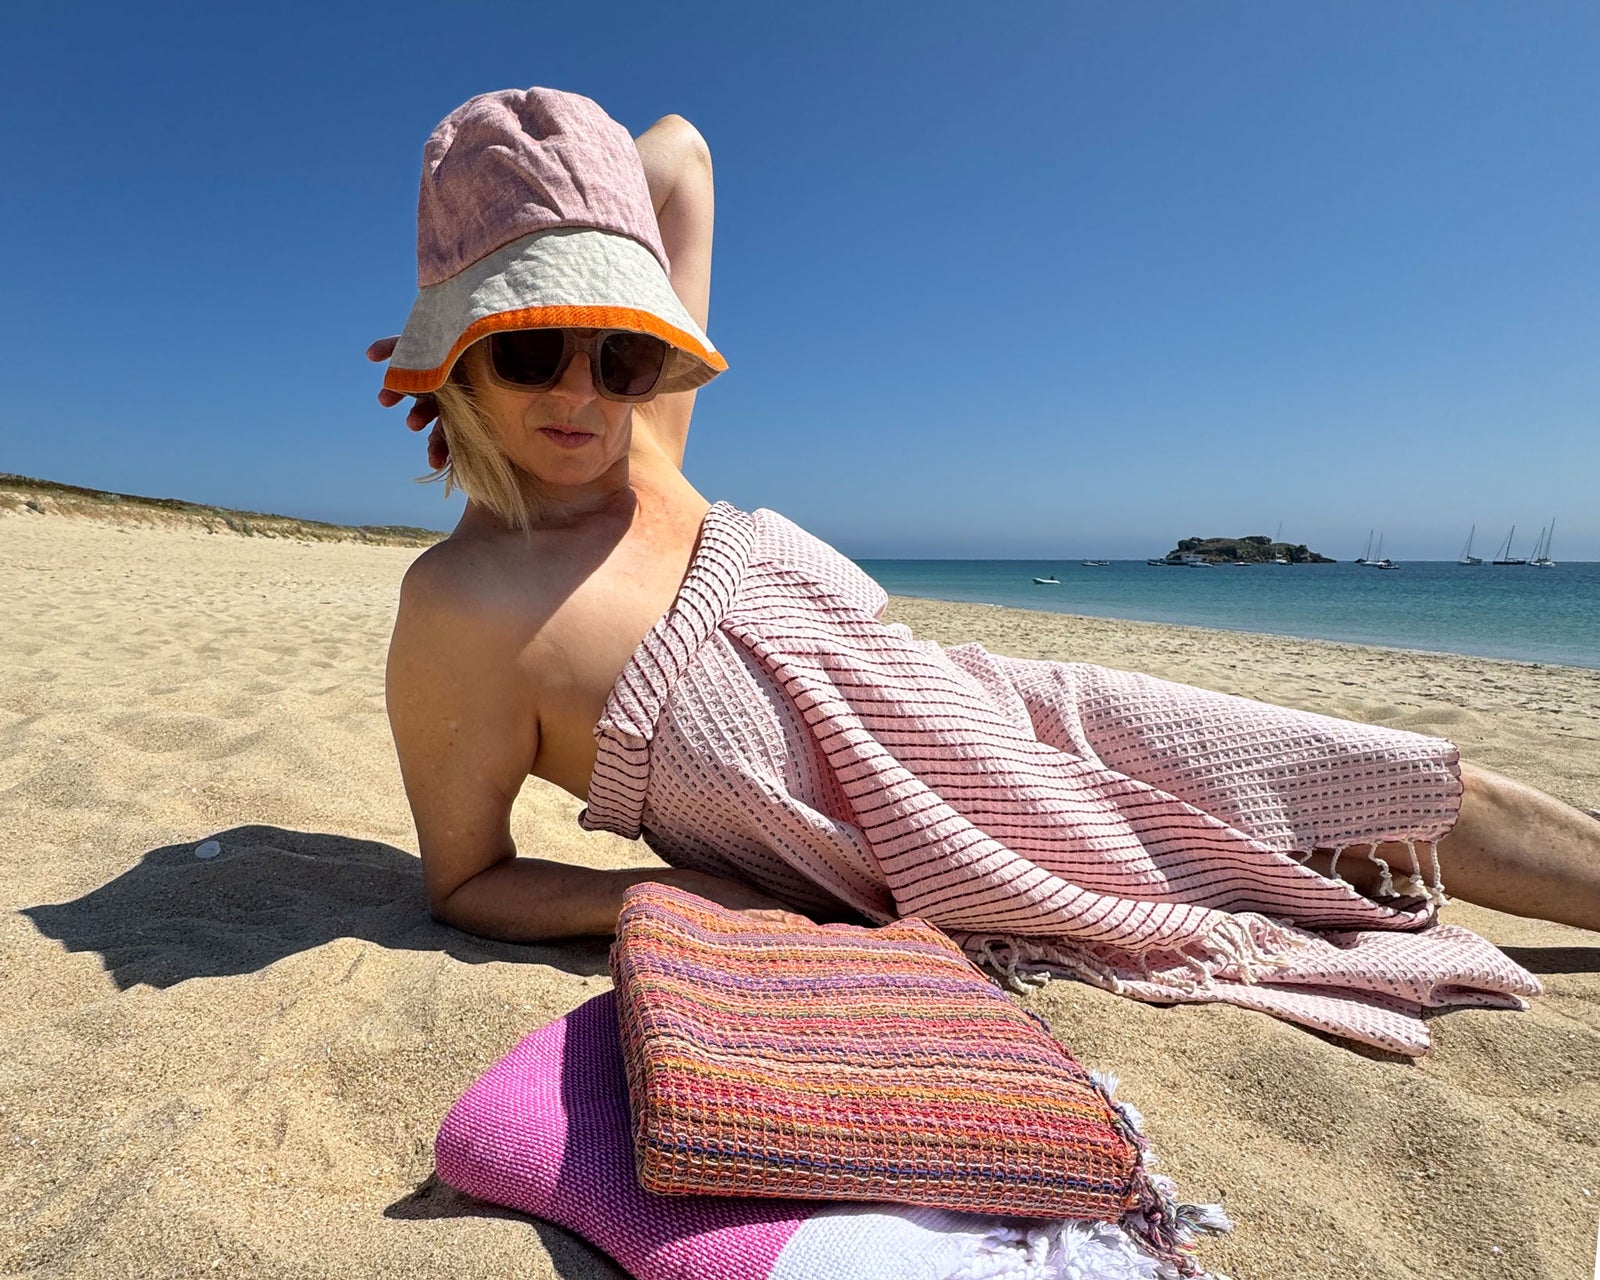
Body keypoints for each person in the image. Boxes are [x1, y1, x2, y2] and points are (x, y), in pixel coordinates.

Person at [372, 88, 1599, 1054]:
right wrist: (666, 894)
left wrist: (524, 261)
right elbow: (467, 879)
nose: (585, 392)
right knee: (1318, 874)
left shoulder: (651, 453)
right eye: (531, 350)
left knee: (1383, 781)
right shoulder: (463, 605)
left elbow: (680, 153)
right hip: (966, 859)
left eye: (622, 354)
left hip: (1027, 712)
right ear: (462, 352)